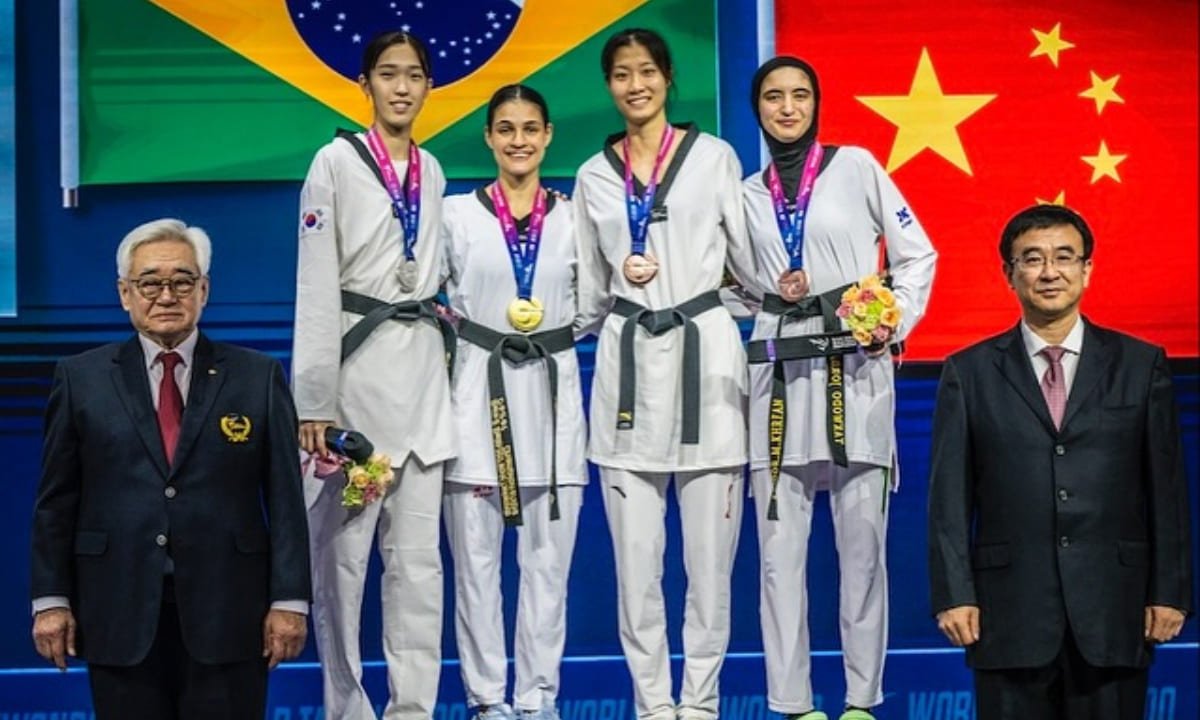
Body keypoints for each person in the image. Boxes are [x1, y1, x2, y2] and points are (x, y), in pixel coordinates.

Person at [29, 218, 311, 719]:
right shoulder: (80, 379)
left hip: (231, 613)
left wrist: (289, 600)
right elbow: (56, 501)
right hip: (117, 609)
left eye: (182, 281)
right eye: (150, 283)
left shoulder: (257, 376)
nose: (166, 295)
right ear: (124, 293)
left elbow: (287, 500)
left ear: (203, 290)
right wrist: (50, 600)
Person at [927, 204, 1192, 720]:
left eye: (1064, 257)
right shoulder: (969, 372)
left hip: (1116, 609)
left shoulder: (1141, 365)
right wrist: (953, 594)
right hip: (1007, 614)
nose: (1049, 272)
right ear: (1009, 274)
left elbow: (1167, 489)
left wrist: (1171, 592)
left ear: (1087, 270)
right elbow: (948, 500)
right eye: (1032, 259)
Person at [741, 57, 936, 720]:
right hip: (777, 383)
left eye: (800, 95)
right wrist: (764, 295)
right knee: (778, 560)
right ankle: (792, 704)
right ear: (757, 108)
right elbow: (725, 283)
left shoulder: (856, 167)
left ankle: (859, 701)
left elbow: (919, 255)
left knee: (862, 553)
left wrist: (891, 320)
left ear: (816, 104)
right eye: (773, 96)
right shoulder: (745, 193)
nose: (787, 107)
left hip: (856, 372)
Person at [573, 27, 757, 720]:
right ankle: (653, 706)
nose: (635, 85)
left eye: (647, 71)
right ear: (610, 86)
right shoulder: (593, 176)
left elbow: (747, 260)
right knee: (637, 570)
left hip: (707, 368)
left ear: (669, 77)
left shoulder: (713, 157)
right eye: (621, 75)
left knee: (709, 569)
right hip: (626, 371)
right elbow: (589, 291)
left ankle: (700, 705)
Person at [292, 30, 452, 720]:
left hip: (423, 386)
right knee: (344, 570)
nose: (402, 87)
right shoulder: (332, 162)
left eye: (414, 75)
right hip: (354, 389)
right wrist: (314, 402)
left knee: (419, 571)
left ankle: (413, 710)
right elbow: (315, 285)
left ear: (427, 86)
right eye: (388, 74)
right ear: (365, 84)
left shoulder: (436, 170)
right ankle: (347, 709)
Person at [441, 84, 586, 720]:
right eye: (506, 129)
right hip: (475, 403)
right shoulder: (454, 214)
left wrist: (550, 337)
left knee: (547, 570)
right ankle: (486, 700)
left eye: (530, 128)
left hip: (555, 405)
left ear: (549, 134)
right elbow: (431, 298)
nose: (519, 140)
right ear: (489, 138)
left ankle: (538, 699)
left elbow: (600, 298)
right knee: (476, 571)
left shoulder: (577, 215)